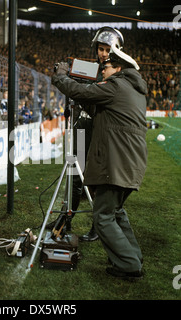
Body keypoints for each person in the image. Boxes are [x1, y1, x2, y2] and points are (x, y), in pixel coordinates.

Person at [52, 44, 147, 280]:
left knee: (103, 217)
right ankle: (133, 256)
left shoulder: (115, 86)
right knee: (116, 212)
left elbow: (84, 93)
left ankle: (128, 265)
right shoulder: (133, 89)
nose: (102, 70)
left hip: (116, 163)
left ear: (119, 68)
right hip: (130, 164)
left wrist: (61, 77)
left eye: (106, 67)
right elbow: (99, 109)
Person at [69, 27, 125, 241]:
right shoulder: (89, 68)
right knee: (74, 174)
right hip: (82, 128)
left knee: (97, 181)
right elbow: (70, 76)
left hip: (102, 132)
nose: (102, 53)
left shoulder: (118, 73)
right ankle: (67, 218)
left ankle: (97, 226)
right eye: (100, 49)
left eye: (107, 49)